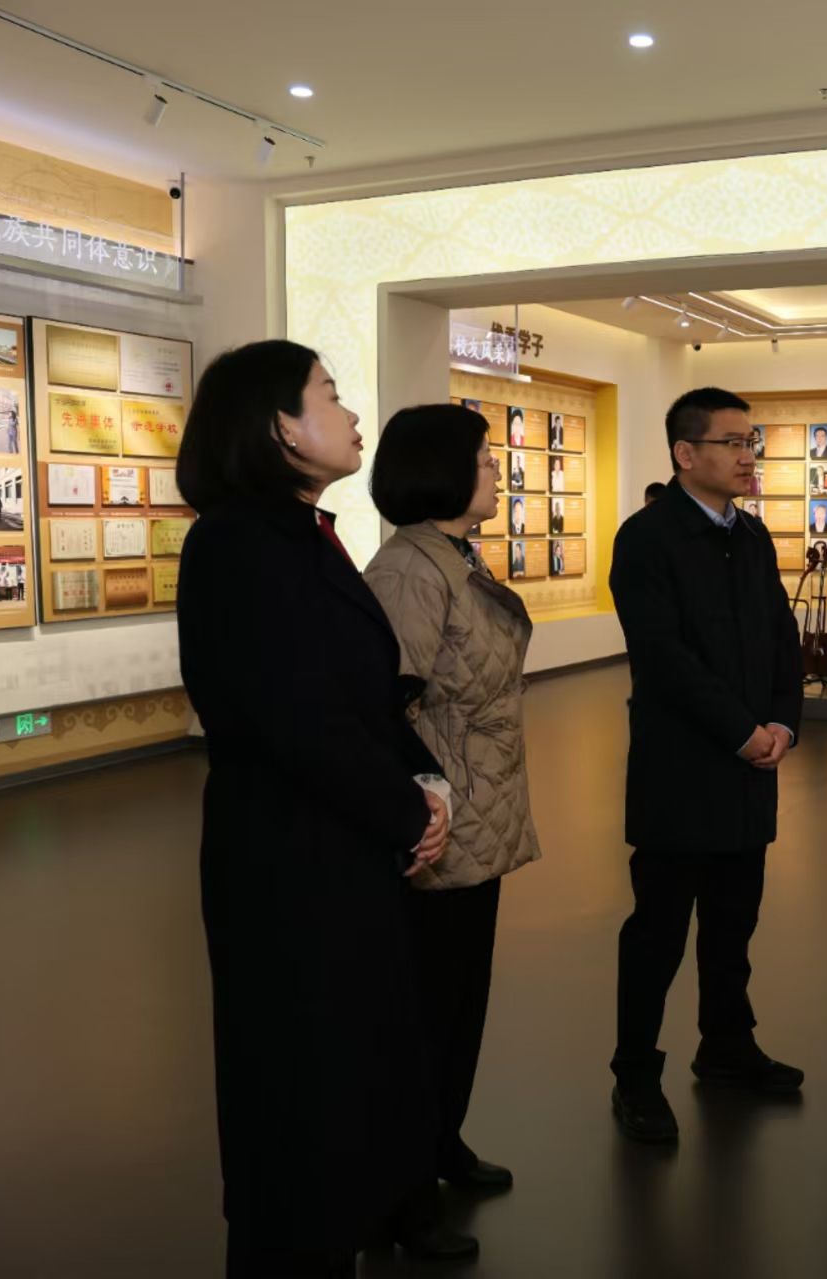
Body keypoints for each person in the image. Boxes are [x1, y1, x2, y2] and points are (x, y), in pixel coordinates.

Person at [175, 340, 466, 1276]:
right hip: (286, 866)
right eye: (331, 397)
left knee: (347, 1084)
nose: (352, 416)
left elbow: (364, 695)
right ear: (282, 428)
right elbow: (294, 718)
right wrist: (406, 811)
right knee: (296, 1097)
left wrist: (425, 782)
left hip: (337, 853)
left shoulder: (301, 535)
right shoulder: (236, 545)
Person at [607, 386, 805, 1145]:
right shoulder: (647, 539)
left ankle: (726, 1045)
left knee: (733, 924)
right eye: (733, 442)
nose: (748, 455)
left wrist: (781, 720)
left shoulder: (751, 536)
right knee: (657, 931)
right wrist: (740, 730)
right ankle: (634, 1074)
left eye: (752, 441)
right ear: (686, 453)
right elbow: (663, 657)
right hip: (680, 772)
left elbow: (782, 636)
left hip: (750, 769)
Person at [365, 402, 542, 1212]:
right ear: (439, 470)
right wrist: (424, 802)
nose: (496, 470)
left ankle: (442, 1141)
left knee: (462, 996)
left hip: (478, 803)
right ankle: (403, 1183)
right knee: (427, 1006)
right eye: (482, 458)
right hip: (442, 814)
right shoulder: (411, 568)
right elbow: (383, 702)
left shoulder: (454, 557)